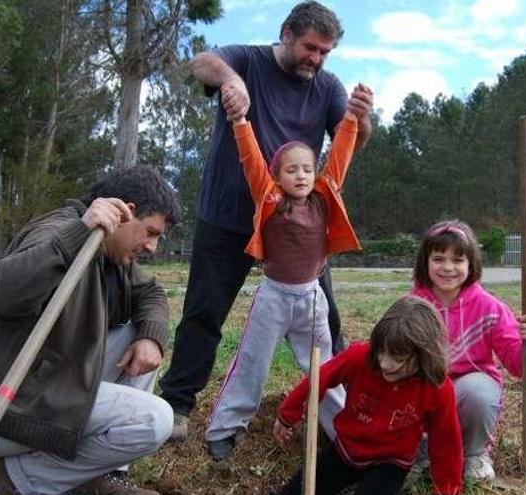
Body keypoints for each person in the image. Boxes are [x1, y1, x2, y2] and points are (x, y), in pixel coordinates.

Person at [158, 0, 374, 442]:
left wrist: (362, 116)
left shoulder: (327, 85)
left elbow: (353, 139)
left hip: (298, 227)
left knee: (325, 319)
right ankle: (177, 404)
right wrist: (231, 80)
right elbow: (201, 63)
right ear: (287, 33)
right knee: (204, 312)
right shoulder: (247, 60)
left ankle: (337, 408)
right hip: (228, 215)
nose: (316, 59)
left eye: (324, 53)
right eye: (310, 47)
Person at [0, 167, 182, 495]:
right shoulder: (61, 230)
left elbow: (151, 294)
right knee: (154, 420)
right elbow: (0, 293)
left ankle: (107, 475)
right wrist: (76, 236)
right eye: (150, 232)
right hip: (0, 409)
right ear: (125, 211)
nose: (152, 246)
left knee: (140, 337)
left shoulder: (112, 251)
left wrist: (150, 336)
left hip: (47, 386)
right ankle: (20, 477)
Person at [203, 97, 364, 460]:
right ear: (277, 176)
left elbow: (339, 155)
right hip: (273, 298)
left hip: (310, 299)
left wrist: (351, 117)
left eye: (308, 168)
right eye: (292, 170)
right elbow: (251, 159)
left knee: (325, 368)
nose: (302, 175)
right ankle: (225, 429)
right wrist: (241, 122)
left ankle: (341, 433)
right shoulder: (270, 196)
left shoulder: (325, 197)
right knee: (252, 363)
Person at [272, 296, 463, 495]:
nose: (385, 364)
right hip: (345, 450)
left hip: (391, 462)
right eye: (381, 351)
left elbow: (446, 443)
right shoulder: (360, 357)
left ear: (423, 355)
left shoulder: (437, 388)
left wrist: (447, 489)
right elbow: (319, 379)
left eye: (397, 358)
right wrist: (288, 414)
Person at [410, 220, 526, 481]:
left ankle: (474, 453)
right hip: (425, 388)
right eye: (438, 258)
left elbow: (520, 368)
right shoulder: (412, 306)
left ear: (471, 264)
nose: (448, 268)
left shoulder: (490, 308)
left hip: (467, 388)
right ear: (425, 262)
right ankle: (418, 452)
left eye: (458, 260)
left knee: (478, 392)